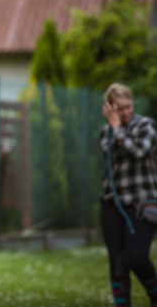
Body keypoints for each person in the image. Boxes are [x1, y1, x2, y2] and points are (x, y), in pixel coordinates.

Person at [100, 82, 157, 307]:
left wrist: (117, 128)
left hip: (141, 203)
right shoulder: (106, 131)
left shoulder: (147, 126)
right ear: (110, 108)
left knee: (137, 256)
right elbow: (109, 150)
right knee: (117, 262)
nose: (125, 112)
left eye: (128, 107)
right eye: (119, 108)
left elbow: (138, 152)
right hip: (111, 203)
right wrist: (115, 129)